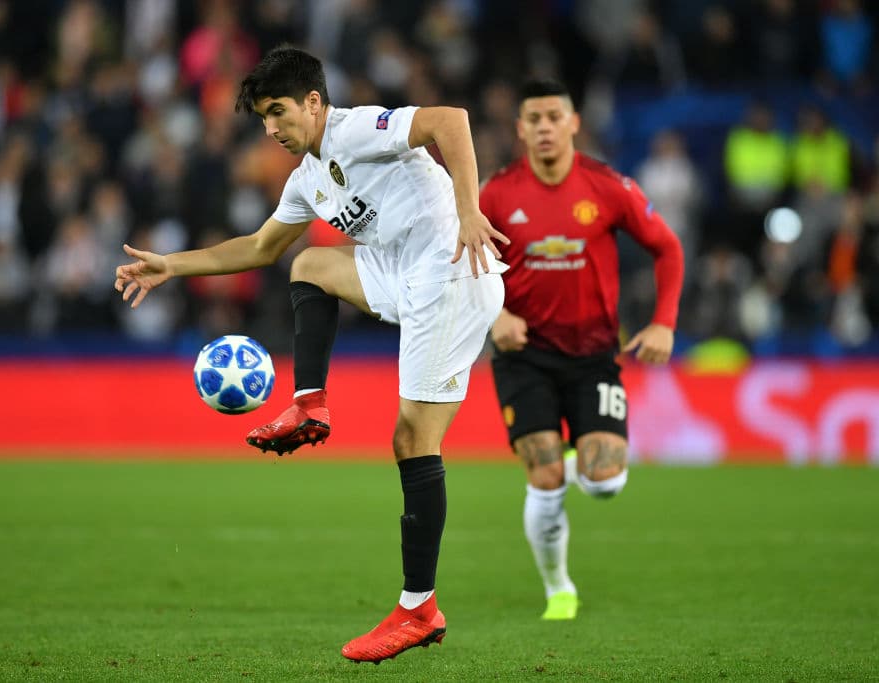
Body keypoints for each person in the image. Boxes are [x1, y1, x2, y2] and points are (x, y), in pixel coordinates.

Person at [113, 46, 508, 663]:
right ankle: (309, 403)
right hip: (406, 273)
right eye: (263, 120)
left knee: (412, 440)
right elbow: (260, 247)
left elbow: (449, 119)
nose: (271, 130)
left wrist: (467, 210)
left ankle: (418, 609)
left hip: (452, 271)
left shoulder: (356, 128)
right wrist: (173, 266)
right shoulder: (307, 178)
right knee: (311, 264)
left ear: (314, 103)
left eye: (278, 112)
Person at [478, 80, 683, 621]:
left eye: (553, 116)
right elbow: (460, 264)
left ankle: (577, 464)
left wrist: (664, 323)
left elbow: (668, 247)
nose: (544, 127)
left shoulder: (608, 186)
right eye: (534, 118)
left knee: (606, 483)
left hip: (594, 355)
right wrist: (495, 315)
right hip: (524, 355)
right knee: (543, 477)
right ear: (519, 129)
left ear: (573, 123)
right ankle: (558, 588)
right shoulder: (494, 195)